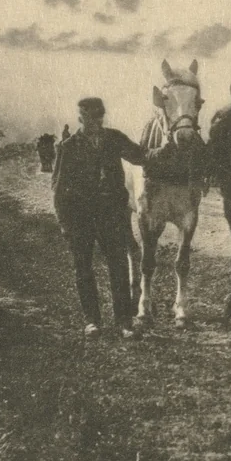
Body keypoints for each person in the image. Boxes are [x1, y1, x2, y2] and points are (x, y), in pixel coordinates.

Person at [52, 97, 157, 339]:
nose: (95, 122)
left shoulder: (114, 139)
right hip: (81, 219)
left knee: (118, 268)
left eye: (99, 117)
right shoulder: (68, 147)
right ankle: (92, 321)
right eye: (89, 118)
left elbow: (141, 156)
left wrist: (168, 149)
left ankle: (124, 323)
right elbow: (58, 190)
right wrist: (65, 224)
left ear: (103, 117)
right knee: (84, 270)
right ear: (81, 119)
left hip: (112, 216)